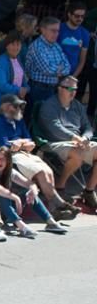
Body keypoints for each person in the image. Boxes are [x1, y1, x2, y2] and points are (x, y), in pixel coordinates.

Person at [0, 95, 74, 217]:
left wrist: (20, 142)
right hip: (8, 156)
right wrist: (23, 144)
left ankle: (55, 208)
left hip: (24, 154)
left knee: (48, 171)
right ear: (7, 107)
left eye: (21, 106)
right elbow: (5, 146)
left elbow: (31, 142)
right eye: (17, 106)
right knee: (41, 173)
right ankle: (60, 204)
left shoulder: (19, 121)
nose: (21, 109)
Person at [34, 76, 97, 209]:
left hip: (78, 142)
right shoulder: (49, 105)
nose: (73, 91)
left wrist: (85, 138)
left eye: (75, 89)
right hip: (55, 142)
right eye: (69, 88)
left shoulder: (77, 105)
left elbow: (87, 127)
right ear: (59, 89)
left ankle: (89, 191)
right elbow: (54, 127)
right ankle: (60, 187)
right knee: (77, 153)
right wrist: (75, 138)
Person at [0, 143, 64, 236]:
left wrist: (33, 190)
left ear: (8, 161)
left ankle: (51, 222)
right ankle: (23, 227)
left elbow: (29, 183)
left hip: (3, 213)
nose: (0, 161)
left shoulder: (10, 172)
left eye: (3, 159)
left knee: (28, 192)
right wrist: (15, 198)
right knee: (1, 196)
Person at [25, 15, 72, 107]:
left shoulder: (56, 46)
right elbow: (47, 70)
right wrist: (59, 69)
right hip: (38, 90)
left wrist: (57, 70)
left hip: (51, 89)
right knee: (35, 118)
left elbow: (68, 66)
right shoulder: (37, 47)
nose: (56, 34)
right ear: (43, 30)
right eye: (53, 30)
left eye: (58, 31)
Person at [0, 32, 29, 111]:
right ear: (6, 46)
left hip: (13, 105)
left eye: (18, 44)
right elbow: (1, 85)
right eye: (13, 44)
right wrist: (18, 90)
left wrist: (26, 88)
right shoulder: (1, 62)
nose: (16, 47)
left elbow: (22, 78)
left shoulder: (18, 58)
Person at [59, 3, 91, 103]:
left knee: (66, 103)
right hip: (55, 73)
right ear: (69, 15)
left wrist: (73, 77)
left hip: (72, 75)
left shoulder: (85, 33)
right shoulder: (59, 28)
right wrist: (57, 74)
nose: (80, 19)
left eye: (82, 16)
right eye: (77, 16)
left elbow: (82, 59)